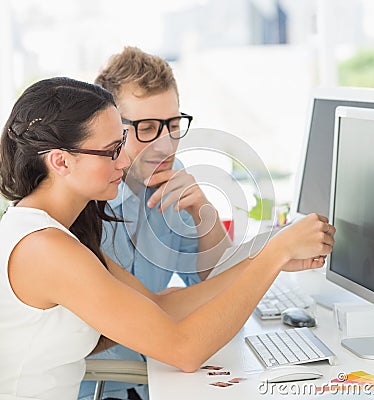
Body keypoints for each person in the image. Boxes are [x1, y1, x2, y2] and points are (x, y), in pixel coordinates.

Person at [0, 76, 335, 400]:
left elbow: (160, 306)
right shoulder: (44, 248)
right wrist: (274, 253)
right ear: (61, 161)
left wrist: (270, 259)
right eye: (112, 150)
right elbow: (184, 350)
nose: (126, 159)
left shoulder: (60, 233)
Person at [80, 46, 233, 400]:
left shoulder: (174, 182)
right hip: (92, 387)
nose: (165, 145)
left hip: (154, 379)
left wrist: (204, 214)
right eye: (147, 128)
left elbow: (220, 288)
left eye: (174, 125)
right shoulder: (83, 199)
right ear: (110, 129)